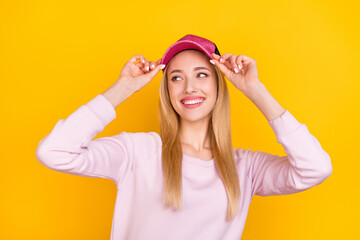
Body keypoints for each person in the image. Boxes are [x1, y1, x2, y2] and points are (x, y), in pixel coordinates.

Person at [35, 34, 333, 240]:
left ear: (220, 85)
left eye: (202, 74)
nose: (189, 87)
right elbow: (54, 152)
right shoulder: (138, 152)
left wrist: (254, 89)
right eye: (176, 77)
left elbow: (315, 168)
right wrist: (123, 87)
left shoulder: (246, 168)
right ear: (168, 90)